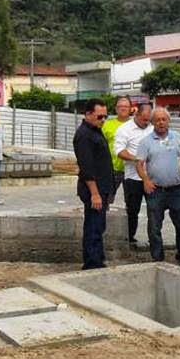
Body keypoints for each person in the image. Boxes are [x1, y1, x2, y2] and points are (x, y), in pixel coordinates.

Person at [135, 108, 180, 268]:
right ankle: (157, 258)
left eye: (164, 119)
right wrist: (146, 180)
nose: (161, 122)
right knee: (154, 226)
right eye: (157, 120)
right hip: (156, 191)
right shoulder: (146, 142)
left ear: (168, 121)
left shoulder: (177, 137)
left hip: (176, 190)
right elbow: (139, 164)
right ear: (152, 122)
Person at [73, 98, 113, 270]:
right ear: (88, 114)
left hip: (102, 188)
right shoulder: (84, 135)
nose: (103, 120)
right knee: (93, 227)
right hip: (93, 190)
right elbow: (87, 167)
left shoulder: (95, 130)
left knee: (98, 225)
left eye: (105, 116)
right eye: (99, 117)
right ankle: (92, 263)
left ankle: (97, 258)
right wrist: (95, 193)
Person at [113, 103, 154, 244]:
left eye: (149, 120)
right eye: (144, 119)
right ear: (136, 115)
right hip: (133, 178)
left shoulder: (152, 128)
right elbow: (119, 151)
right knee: (132, 210)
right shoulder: (124, 129)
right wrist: (136, 159)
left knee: (154, 210)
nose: (146, 122)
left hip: (151, 178)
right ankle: (130, 238)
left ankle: (153, 239)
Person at [102, 96, 133, 205]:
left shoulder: (136, 125)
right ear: (116, 109)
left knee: (131, 203)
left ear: (130, 109)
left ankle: (130, 222)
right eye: (120, 106)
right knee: (106, 199)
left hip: (131, 169)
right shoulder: (107, 124)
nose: (123, 109)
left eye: (126, 106)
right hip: (112, 169)